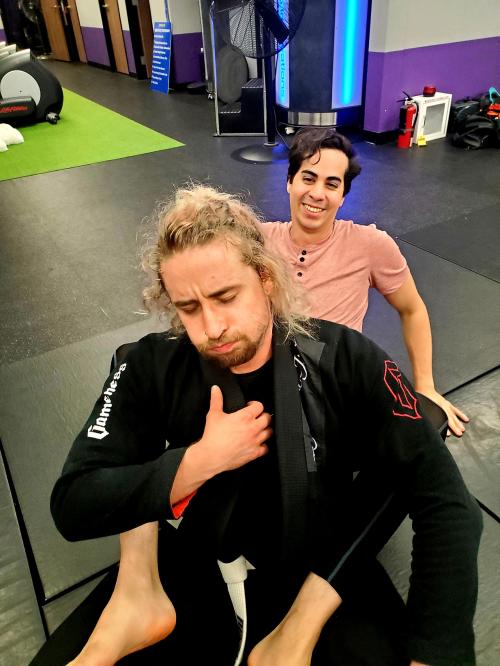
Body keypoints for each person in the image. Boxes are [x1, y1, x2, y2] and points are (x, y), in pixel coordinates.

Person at [39, 186, 482, 666]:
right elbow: (73, 504)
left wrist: (433, 653)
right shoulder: (153, 364)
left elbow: (448, 503)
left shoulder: (345, 359)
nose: (211, 327)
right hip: (197, 560)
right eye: (189, 308)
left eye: (226, 297)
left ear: (266, 279)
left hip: (317, 564)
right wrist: (198, 462)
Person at [261, 127, 468, 439]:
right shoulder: (258, 241)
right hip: (272, 389)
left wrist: (425, 385)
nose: (317, 193)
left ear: (343, 196)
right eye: (308, 178)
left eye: (332, 184)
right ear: (290, 181)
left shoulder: (370, 245)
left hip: (337, 394)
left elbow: (412, 309)